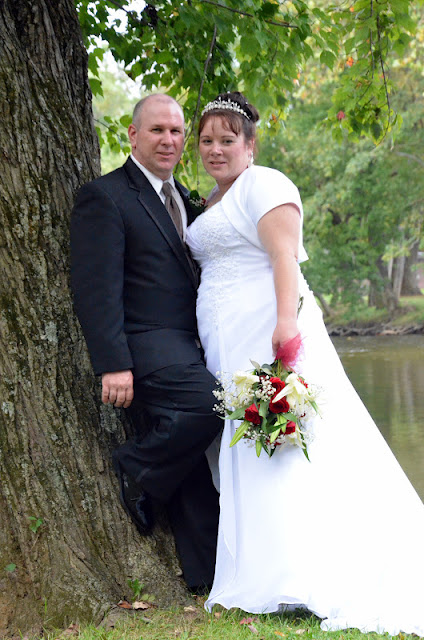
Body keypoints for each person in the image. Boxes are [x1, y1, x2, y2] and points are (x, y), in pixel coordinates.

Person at [185, 91, 424, 635]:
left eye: (227, 140)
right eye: (207, 140)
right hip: (225, 339)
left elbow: (282, 256)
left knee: (285, 443)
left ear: (250, 145)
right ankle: (264, 568)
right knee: (249, 446)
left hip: (266, 331)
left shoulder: (265, 185)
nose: (215, 149)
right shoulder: (213, 199)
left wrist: (285, 325)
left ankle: (300, 574)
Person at [70, 93, 221, 593]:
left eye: (176, 131)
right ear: (134, 135)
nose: (169, 140)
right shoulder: (105, 196)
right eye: (157, 130)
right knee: (210, 406)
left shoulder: (188, 198)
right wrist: (112, 363)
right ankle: (135, 465)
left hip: (194, 344)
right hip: (146, 347)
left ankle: (205, 577)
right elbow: (95, 288)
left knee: (195, 466)